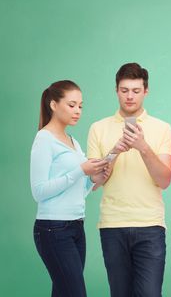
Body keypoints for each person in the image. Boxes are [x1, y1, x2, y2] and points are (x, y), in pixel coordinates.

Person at [87, 63, 171, 297]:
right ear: (116, 90)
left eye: (136, 90)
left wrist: (143, 147)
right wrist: (115, 151)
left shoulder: (162, 128)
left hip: (150, 225)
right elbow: (95, 181)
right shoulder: (98, 128)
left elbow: (164, 180)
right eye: (124, 90)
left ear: (146, 91)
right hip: (113, 225)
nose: (130, 96)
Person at [31, 80, 109, 297]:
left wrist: (96, 179)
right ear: (54, 105)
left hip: (76, 227)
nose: (77, 111)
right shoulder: (44, 139)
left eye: (81, 106)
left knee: (63, 292)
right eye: (72, 105)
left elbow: (79, 189)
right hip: (52, 229)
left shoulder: (73, 142)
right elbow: (38, 192)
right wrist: (80, 171)